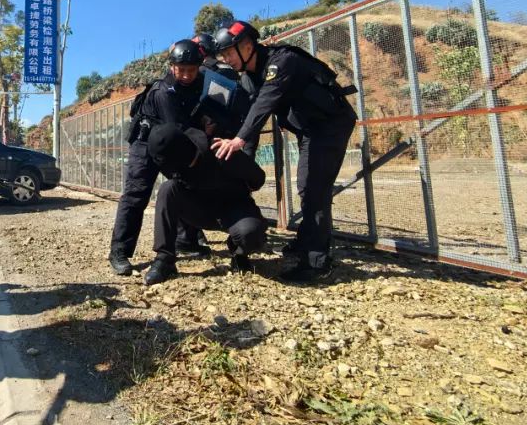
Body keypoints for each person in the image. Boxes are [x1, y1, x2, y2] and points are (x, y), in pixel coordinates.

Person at [212, 20, 356, 283]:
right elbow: (249, 113)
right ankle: (307, 242)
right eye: (223, 55)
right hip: (309, 129)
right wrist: (242, 163)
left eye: (229, 53)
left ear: (247, 46)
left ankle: (317, 263)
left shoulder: (282, 62)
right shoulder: (249, 77)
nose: (226, 59)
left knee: (313, 188)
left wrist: (239, 140)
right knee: (307, 186)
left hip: (330, 125)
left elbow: (265, 103)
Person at [109, 39, 209, 276]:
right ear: (172, 66)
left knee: (183, 186)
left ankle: (186, 240)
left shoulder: (200, 84)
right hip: (145, 145)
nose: (186, 75)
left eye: (191, 70)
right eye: (181, 70)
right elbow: (180, 127)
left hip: (169, 143)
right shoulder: (163, 90)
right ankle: (119, 252)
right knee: (136, 195)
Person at [143, 124, 268, 285]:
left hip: (233, 209)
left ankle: (239, 253)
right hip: (200, 211)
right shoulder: (172, 161)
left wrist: (237, 189)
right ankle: (164, 259)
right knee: (167, 189)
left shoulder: (220, 152)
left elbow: (258, 178)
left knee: (250, 233)